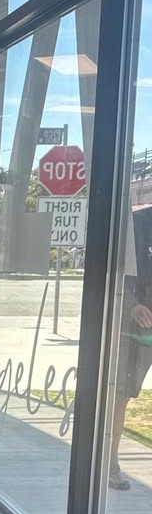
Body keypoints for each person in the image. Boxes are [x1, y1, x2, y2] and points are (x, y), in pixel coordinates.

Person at [109, 203, 152, 490]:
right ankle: (109, 463)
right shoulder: (138, 224)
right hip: (137, 332)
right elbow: (114, 273)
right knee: (119, 397)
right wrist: (132, 305)